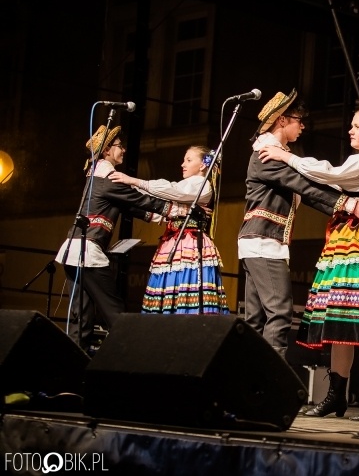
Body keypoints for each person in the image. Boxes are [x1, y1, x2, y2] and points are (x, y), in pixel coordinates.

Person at [259, 106, 359, 421]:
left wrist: (288, 157)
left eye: (356, 126)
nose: (350, 131)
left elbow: (333, 175)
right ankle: (337, 395)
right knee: (341, 318)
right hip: (345, 238)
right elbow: (330, 180)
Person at [238, 90, 359, 360]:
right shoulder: (266, 155)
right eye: (299, 120)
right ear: (281, 120)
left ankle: (249, 387)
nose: (302, 126)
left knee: (255, 320)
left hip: (260, 240)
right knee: (279, 313)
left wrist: (345, 205)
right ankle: (272, 386)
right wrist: (350, 205)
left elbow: (309, 192)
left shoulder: (274, 153)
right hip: (264, 240)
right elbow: (303, 185)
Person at [56, 125, 191, 351]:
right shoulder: (108, 178)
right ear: (107, 149)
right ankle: (132, 355)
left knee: (81, 319)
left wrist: (158, 216)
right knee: (115, 311)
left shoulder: (96, 177)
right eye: (119, 146)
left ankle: (73, 373)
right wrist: (176, 210)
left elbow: (129, 205)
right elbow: (138, 199)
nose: (124, 150)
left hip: (72, 252)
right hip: (87, 253)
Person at [109, 145, 229, 315]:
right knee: (168, 290)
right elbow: (161, 206)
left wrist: (135, 181)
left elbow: (172, 190)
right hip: (172, 242)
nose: (182, 164)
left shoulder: (202, 185)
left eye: (189, 160)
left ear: (203, 165)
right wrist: (127, 190)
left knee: (186, 287)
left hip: (190, 243)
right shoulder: (185, 187)